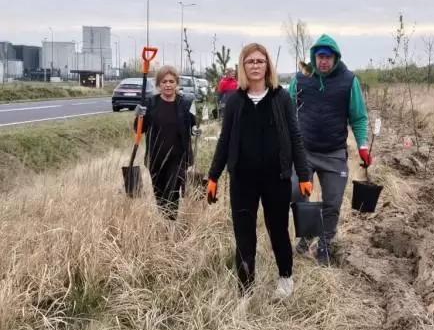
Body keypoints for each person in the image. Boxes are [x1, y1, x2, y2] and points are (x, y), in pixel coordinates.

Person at [206, 43, 312, 299]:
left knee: (278, 229)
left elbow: (295, 136)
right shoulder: (235, 101)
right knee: (244, 233)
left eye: (260, 61)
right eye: (250, 61)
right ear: (243, 66)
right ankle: (245, 290)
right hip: (243, 179)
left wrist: (304, 175)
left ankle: (285, 279)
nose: (255, 65)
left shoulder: (280, 98)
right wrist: (213, 176)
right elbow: (224, 140)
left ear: (267, 66)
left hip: (276, 178)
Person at [288, 34, 370, 264]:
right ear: (313, 57)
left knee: (332, 202)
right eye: (319, 56)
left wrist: (362, 146)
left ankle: (324, 245)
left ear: (335, 58)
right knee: (295, 192)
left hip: (334, 153)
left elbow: (359, 117)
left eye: (327, 57)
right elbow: (286, 110)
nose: (323, 61)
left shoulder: (348, 81)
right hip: (304, 152)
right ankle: (306, 235)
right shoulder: (300, 80)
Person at [134, 65, 201, 219]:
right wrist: (139, 116)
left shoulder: (185, 103)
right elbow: (139, 129)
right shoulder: (151, 103)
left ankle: (170, 225)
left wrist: (195, 130)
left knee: (172, 193)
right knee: (159, 195)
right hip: (156, 158)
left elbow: (193, 125)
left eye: (171, 81)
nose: (168, 85)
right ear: (159, 84)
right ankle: (164, 224)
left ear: (176, 83)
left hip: (178, 158)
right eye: (164, 82)